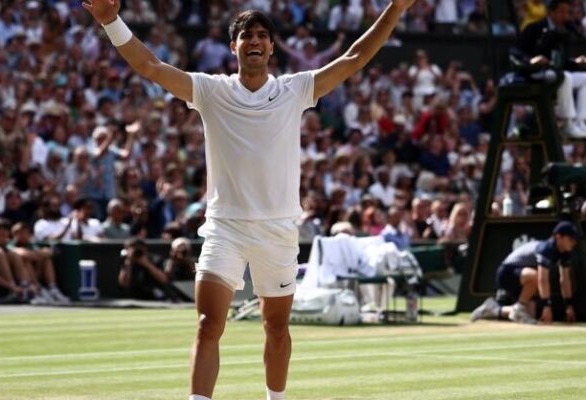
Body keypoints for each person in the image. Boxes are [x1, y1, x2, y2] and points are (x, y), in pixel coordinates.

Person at [82, 1, 418, 398]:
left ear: (272, 48)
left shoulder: (296, 88)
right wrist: (110, 20)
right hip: (224, 227)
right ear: (234, 47)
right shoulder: (210, 90)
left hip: (278, 231)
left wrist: (396, 8)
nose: (254, 41)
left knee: (276, 328)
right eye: (246, 36)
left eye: (262, 36)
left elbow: (355, 57)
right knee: (209, 323)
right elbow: (151, 67)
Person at [515, 0, 586, 139]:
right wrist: (531, 61)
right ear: (551, 12)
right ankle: (567, 124)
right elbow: (516, 53)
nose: (565, 16)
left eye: (567, 12)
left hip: (554, 73)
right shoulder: (534, 28)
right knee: (564, 77)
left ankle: (582, 122)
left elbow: (561, 61)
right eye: (561, 12)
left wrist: (575, 62)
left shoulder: (563, 31)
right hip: (534, 73)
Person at [470, 221, 580, 324]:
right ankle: (519, 307)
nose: (574, 242)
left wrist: (569, 306)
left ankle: (493, 309)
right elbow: (542, 279)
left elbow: (564, 281)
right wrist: (547, 306)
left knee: (529, 315)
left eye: (575, 239)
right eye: (571, 239)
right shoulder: (546, 248)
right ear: (558, 237)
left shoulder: (565, 253)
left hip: (524, 278)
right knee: (536, 276)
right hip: (507, 273)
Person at [9, 223, 71, 305]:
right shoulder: (10, 245)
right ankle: (37, 290)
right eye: (20, 233)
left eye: (25, 232)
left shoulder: (31, 245)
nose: (23, 235)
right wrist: (40, 254)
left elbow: (47, 253)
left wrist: (41, 254)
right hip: (18, 277)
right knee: (27, 260)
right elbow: (26, 254)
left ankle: (53, 289)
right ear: (14, 235)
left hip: (35, 273)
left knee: (46, 259)